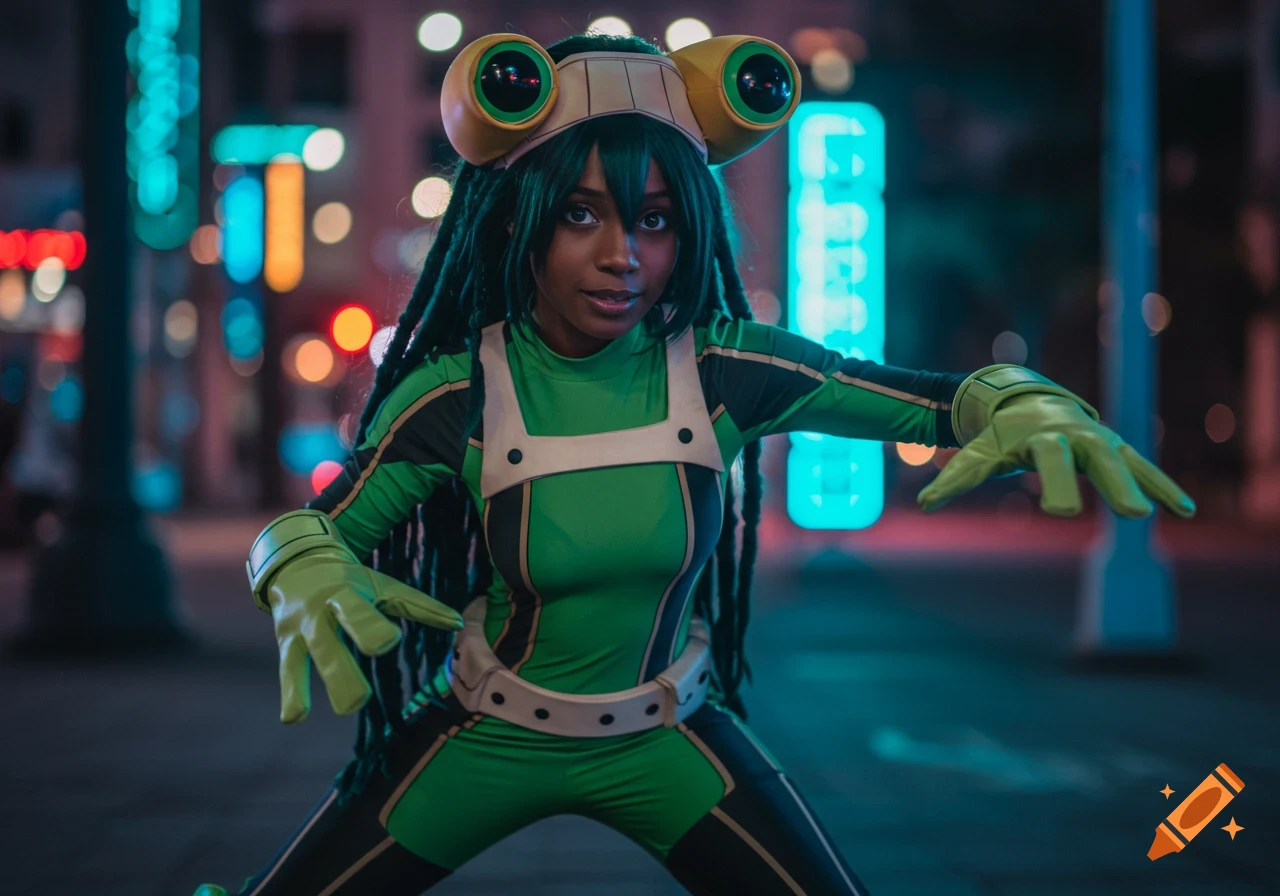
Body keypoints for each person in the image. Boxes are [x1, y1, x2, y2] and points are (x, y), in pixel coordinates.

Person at [195, 30, 1194, 896]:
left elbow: (919, 396)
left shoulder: (722, 368)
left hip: (663, 736)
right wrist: (292, 562)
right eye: (582, 213)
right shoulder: (459, 392)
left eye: (656, 218)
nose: (622, 253)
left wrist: (1002, 395)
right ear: (516, 219)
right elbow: (319, 524)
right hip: (479, 733)